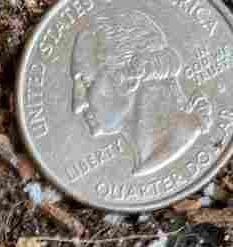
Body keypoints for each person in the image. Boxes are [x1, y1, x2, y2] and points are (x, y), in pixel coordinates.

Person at [70, 9, 213, 176]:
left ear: (128, 80)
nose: (78, 105)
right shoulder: (154, 154)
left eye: (87, 83)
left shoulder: (182, 135)